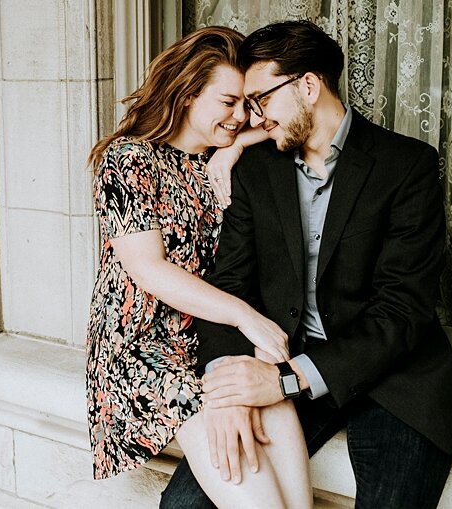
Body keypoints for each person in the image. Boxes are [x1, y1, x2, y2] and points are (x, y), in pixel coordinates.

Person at [161, 21, 452, 509]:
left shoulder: (406, 166)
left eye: (260, 100)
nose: (253, 118)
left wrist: (285, 381)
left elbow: (402, 312)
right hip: (283, 361)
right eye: (247, 104)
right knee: (186, 505)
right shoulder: (256, 168)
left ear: (308, 85)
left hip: (393, 374)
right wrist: (230, 384)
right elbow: (231, 284)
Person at [85, 26, 314, 509]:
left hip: (208, 337)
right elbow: (149, 270)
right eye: (228, 103)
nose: (243, 117)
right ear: (188, 95)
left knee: (274, 411)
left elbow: (278, 126)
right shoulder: (128, 160)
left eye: (249, 105)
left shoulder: (216, 158)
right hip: (144, 347)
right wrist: (245, 317)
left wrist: (234, 146)